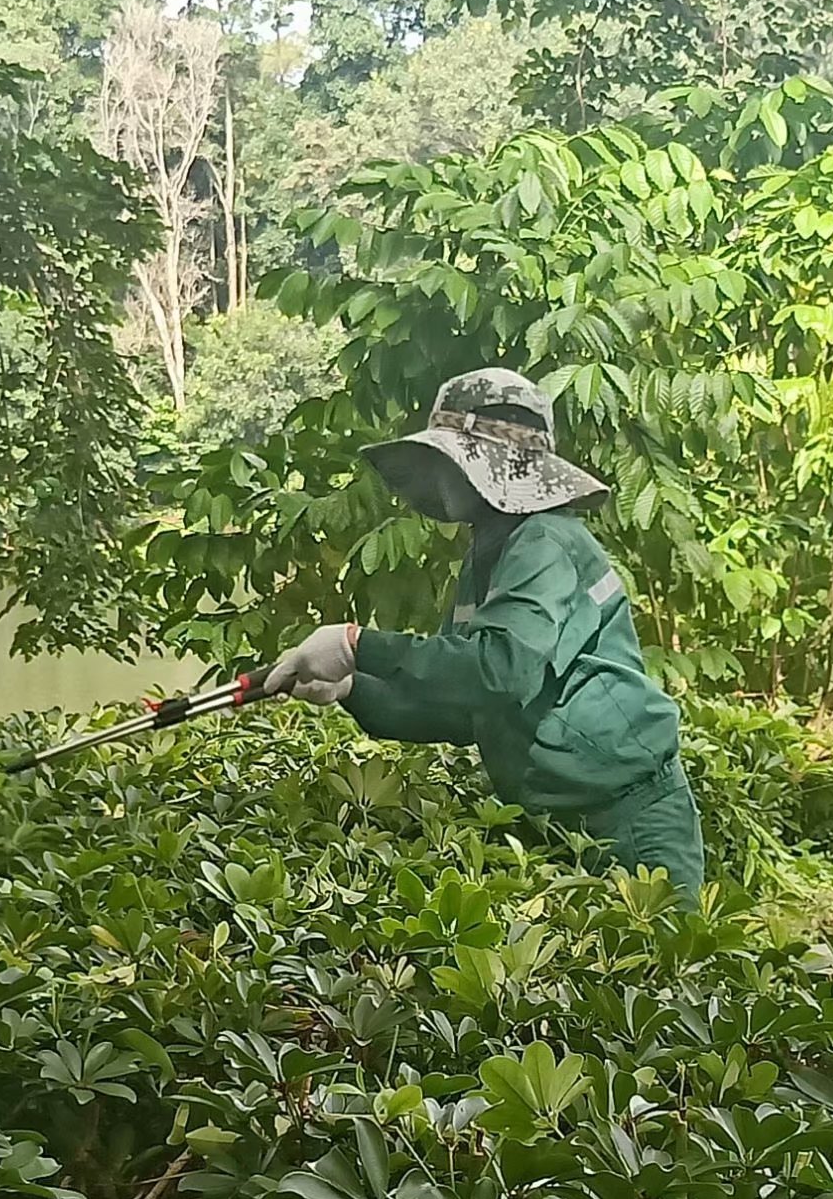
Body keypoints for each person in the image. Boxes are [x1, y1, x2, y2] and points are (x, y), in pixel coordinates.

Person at [264, 368, 705, 903]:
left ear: (488, 465)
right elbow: (461, 706)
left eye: (449, 460)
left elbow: (498, 671)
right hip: (554, 822)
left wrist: (357, 643)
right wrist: (352, 690)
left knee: (662, 974)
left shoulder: (544, 542)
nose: (438, 477)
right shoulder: (489, 555)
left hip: (628, 820)